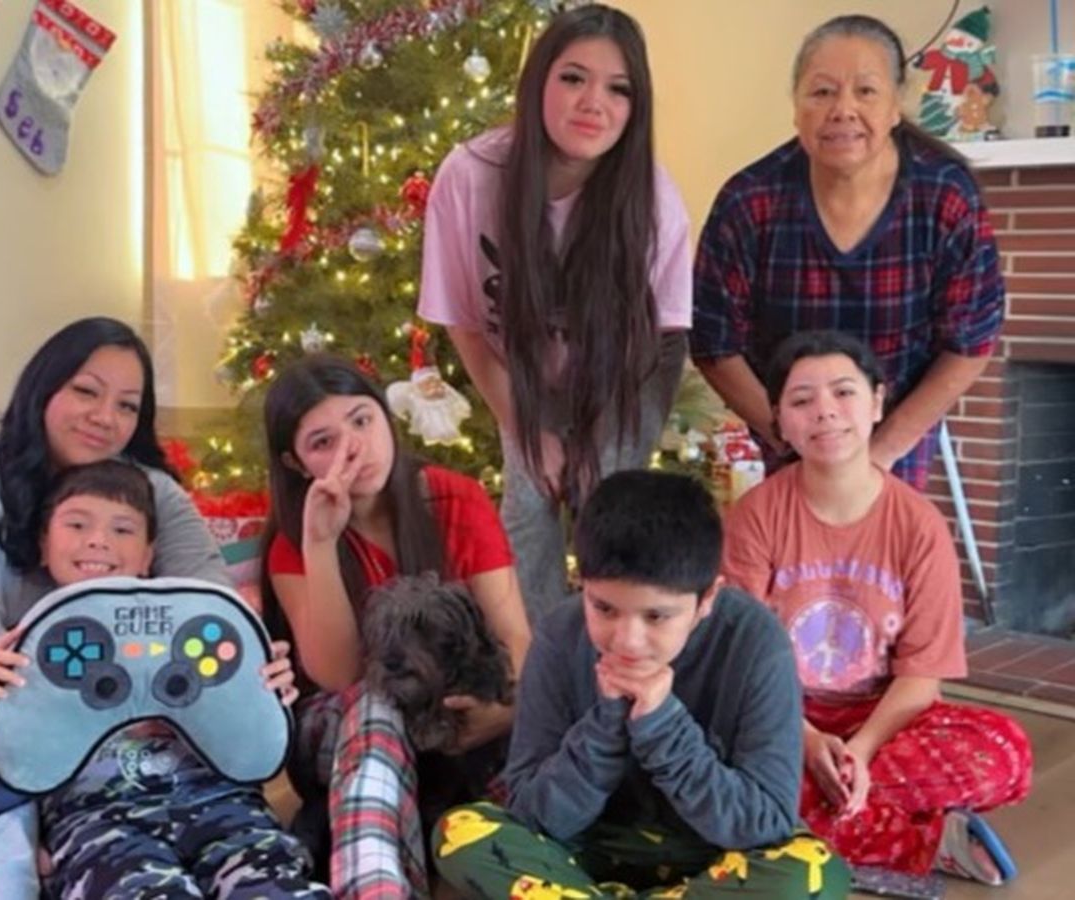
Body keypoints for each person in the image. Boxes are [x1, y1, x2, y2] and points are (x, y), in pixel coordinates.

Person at [0, 317, 230, 899]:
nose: (105, 417)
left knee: (205, 827)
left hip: (126, 731)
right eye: (87, 391)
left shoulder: (154, 492)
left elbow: (212, 614)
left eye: (127, 405)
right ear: (42, 389)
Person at [432, 470, 850, 899]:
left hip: (713, 857)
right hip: (583, 847)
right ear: (582, 585)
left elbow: (765, 824)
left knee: (813, 872)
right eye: (604, 609)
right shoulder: (559, 635)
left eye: (656, 617)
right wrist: (607, 723)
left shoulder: (757, 641)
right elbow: (532, 813)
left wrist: (662, 724)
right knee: (460, 832)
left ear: (707, 600)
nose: (627, 640)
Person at [721, 330, 1032, 883]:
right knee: (714, 748)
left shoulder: (919, 525)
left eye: (844, 392)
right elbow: (741, 662)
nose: (825, 411)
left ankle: (799, 827)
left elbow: (921, 677)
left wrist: (858, 755)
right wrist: (807, 741)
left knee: (1004, 751)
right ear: (780, 422)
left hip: (884, 721)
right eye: (801, 400)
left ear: (877, 403)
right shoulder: (756, 516)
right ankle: (927, 841)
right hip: (779, 717)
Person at [417, 3, 692, 620]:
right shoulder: (471, 176)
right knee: (528, 502)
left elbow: (661, 338)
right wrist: (527, 429)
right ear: (538, 81)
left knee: (607, 505)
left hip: (628, 373)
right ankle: (533, 659)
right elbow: (465, 322)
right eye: (573, 78)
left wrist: (601, 445)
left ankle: (622, 650)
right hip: (523, 371)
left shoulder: (653, 198)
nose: (594, 103)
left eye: (619, 89)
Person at [0, 459, 330, 898]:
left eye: (122, 529)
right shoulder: (23, 649)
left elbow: (254, 756)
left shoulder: (204, 631)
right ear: (43, 544)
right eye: (77, 524)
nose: (98, 540)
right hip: (100, 826)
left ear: (149, 556)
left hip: (227, 810)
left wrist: (265, 691)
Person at [692, 14, 1004, 491]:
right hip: (788, 445)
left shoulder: (945, 197)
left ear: (896, 105)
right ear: (796, 106)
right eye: (822, 92)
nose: (843, 109)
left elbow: (970, 343)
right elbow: (714, 343)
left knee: (885, 540)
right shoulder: (749, 201)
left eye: (866, 91)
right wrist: (791, 440)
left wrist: (878, 456)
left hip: (895, 446)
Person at [260, 355, 532, 899]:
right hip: (339, 732)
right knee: (375, 702)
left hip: (453, 712)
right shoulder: (295, 539)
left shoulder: (454, 498)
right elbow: (337, 675)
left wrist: (503, 712)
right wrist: (320, 543)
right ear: (295, 462)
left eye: (362, 421)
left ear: (386, 417)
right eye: (323, 442)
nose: (353, 449)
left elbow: (515, 643)